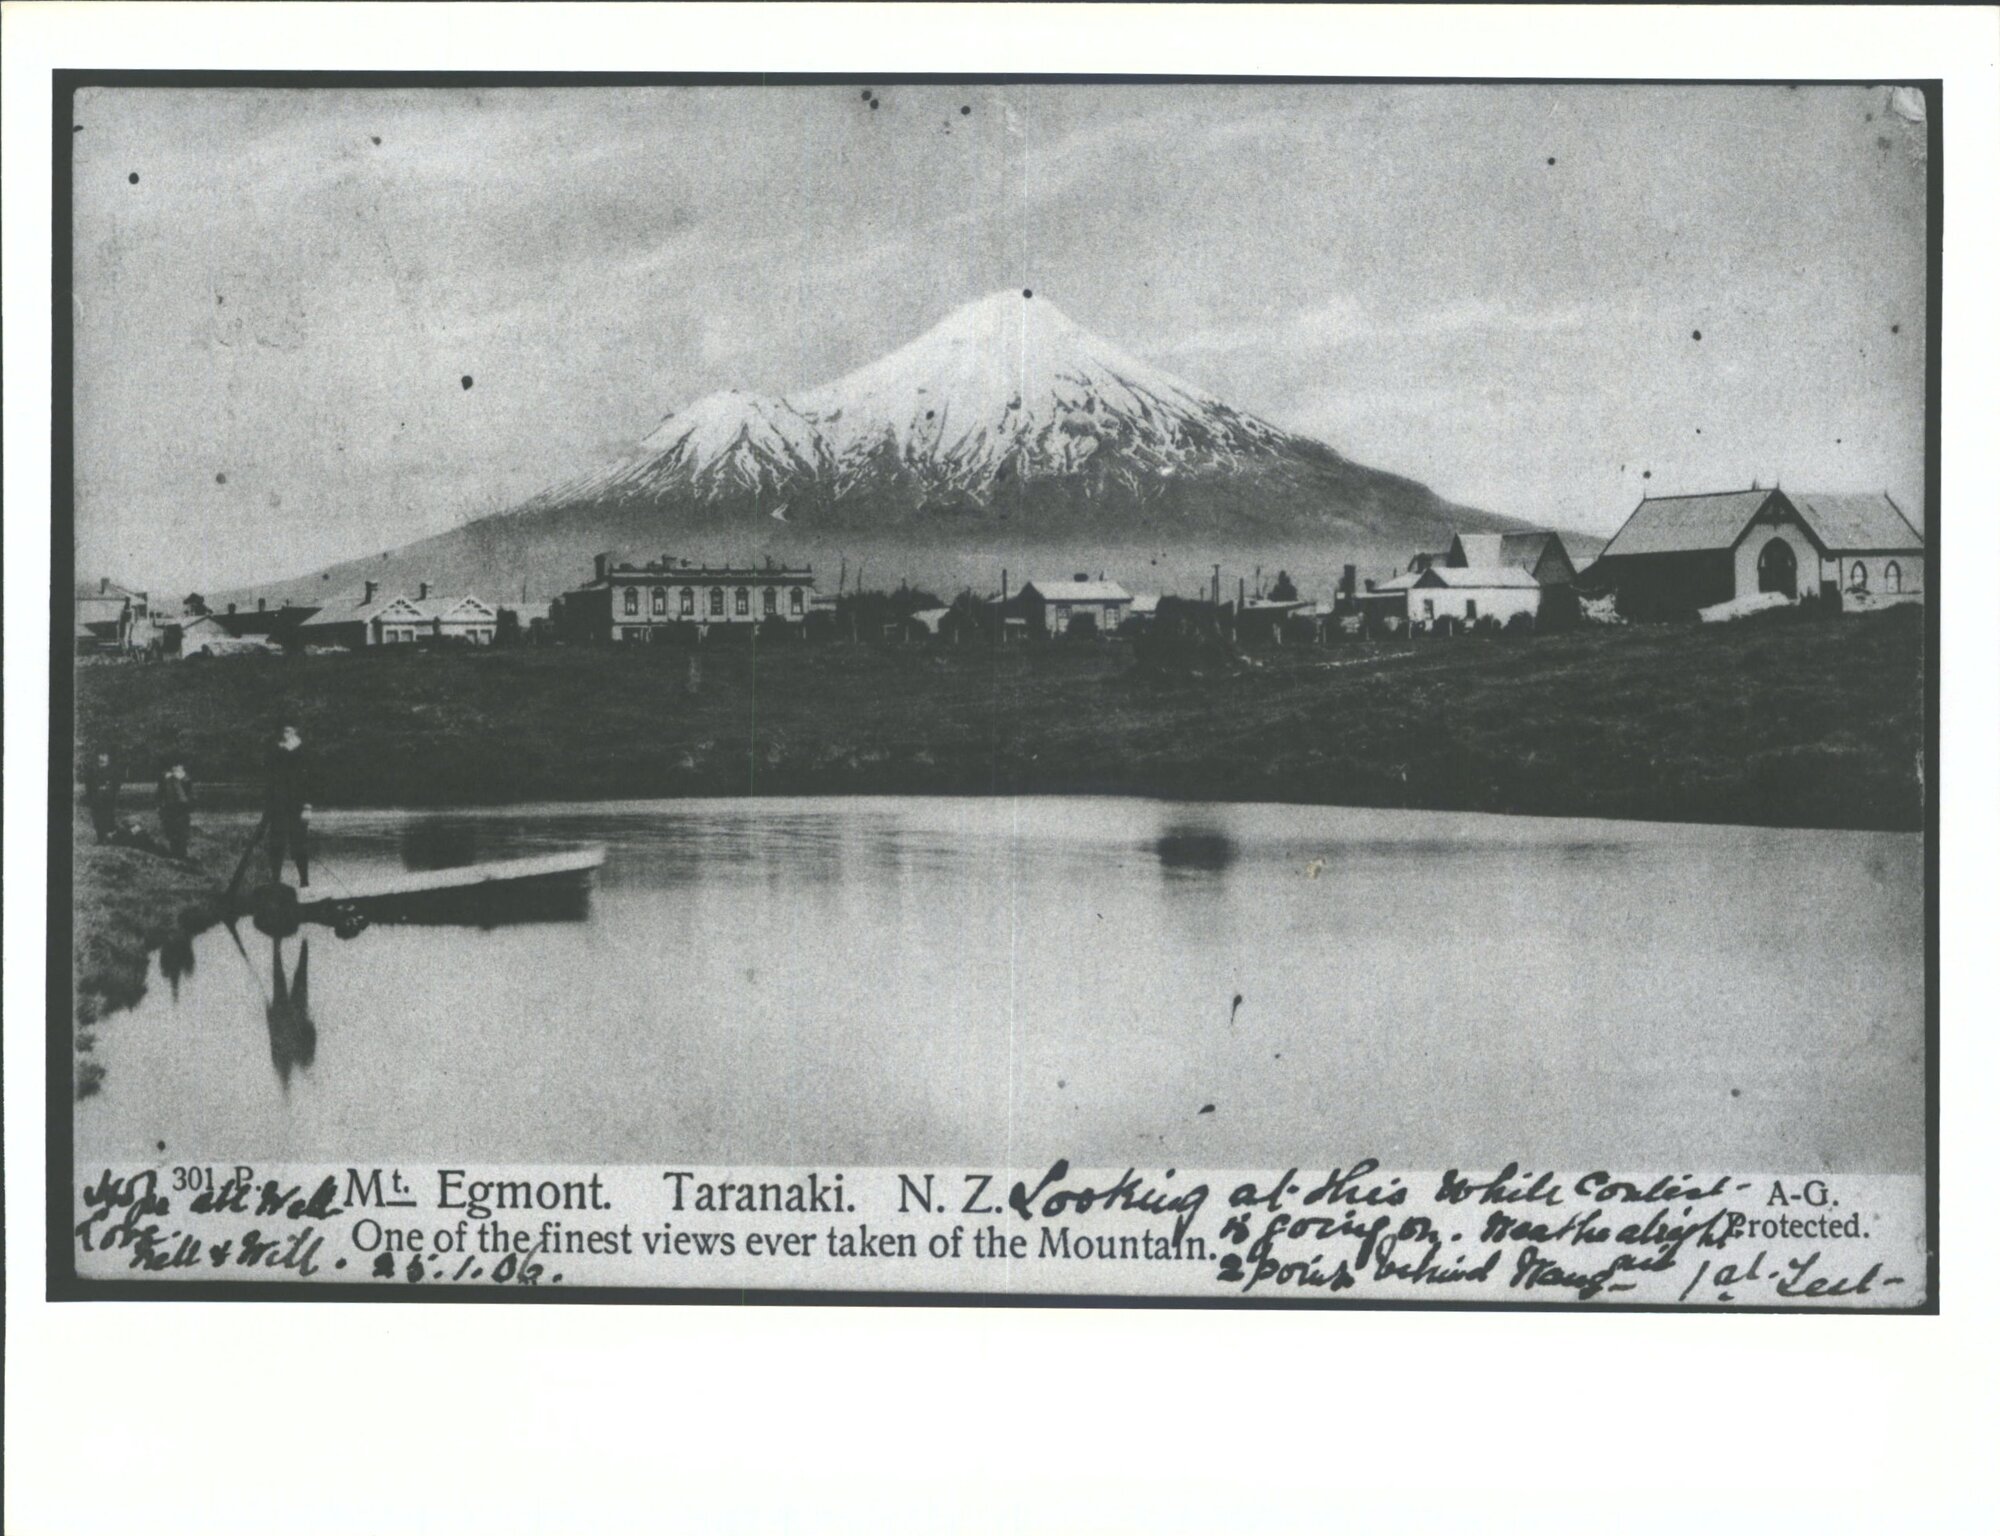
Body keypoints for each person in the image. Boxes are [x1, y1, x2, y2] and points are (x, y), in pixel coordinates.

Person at [263, 723, 311, 887]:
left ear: (296, 731)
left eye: (289, 730)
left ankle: (304, 880)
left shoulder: (303, 750)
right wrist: (268, 805)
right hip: (278, 804)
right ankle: (275, 879)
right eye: (283, 731)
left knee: (299, 843)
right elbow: (270, 779)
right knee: (276, 843)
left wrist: (307, 807)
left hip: (297, 804)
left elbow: (309, 780)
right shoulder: (275, 750)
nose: (286, 734)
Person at [155, 756, 194, 859]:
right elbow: (160, 793)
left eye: (178, 766)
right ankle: (175, 852)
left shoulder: (184, 778)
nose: (176, 768)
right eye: (174, 766)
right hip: (170, 807)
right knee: (171, 829)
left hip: (182, 808)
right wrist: (160, 806)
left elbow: (189, 793)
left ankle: (181, 853)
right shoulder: (166, 778)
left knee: (182, 830)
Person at [83, 750, 120, 843]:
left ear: (108, 759)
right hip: (96, 798)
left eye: (104, 757)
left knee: (108, 817)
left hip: (108, 798)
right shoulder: (93, 771)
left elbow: (116, 784)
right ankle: (100, 837)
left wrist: (111, 791)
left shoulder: (112, 771)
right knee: (97, 818)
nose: (102, 759)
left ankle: (110, 837)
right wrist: (91, 796)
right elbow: (88, 784)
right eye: (100, 757)